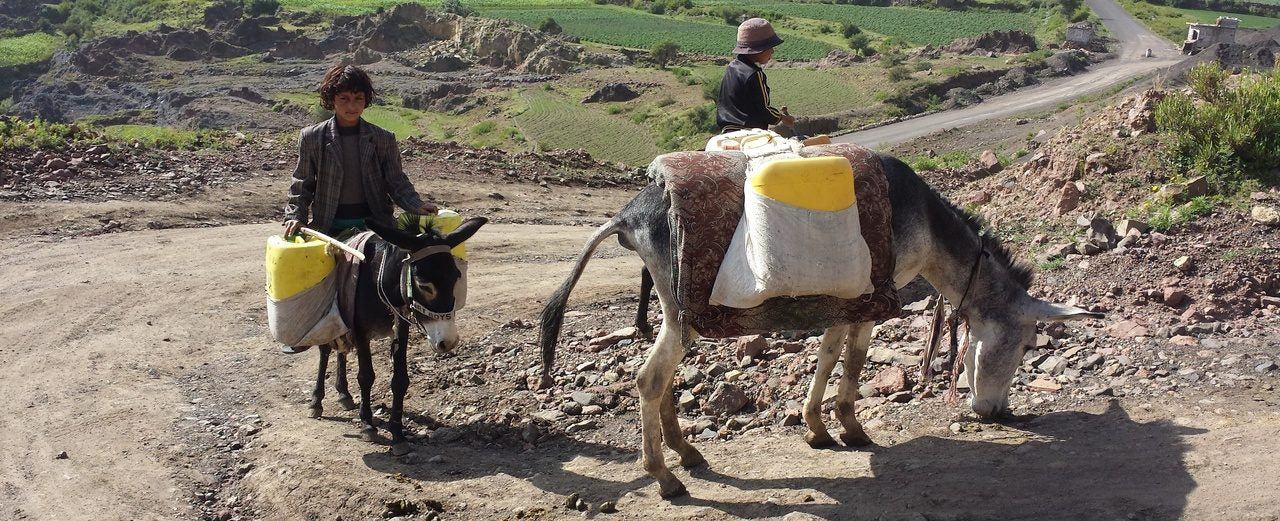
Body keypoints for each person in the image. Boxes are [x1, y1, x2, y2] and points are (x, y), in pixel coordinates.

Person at [282, 64, 437, 240]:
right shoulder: (312, 137)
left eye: (358, 98)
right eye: (344, 98)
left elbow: (396, 181)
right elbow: (302, 183)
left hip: (376, 227)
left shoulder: (383, 139)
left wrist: (416, 205)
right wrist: (295, 217)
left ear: (366, 99)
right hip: (328, 228)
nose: (352, 105)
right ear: (332, 99)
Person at [715, 18, 796, 133]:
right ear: (759, 50)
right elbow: (763, 109)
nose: (772, 52)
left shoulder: (731, 67)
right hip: (750, 132)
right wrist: (782, 118)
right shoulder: (755, 74)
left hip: (728, 131)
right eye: (770, 48)